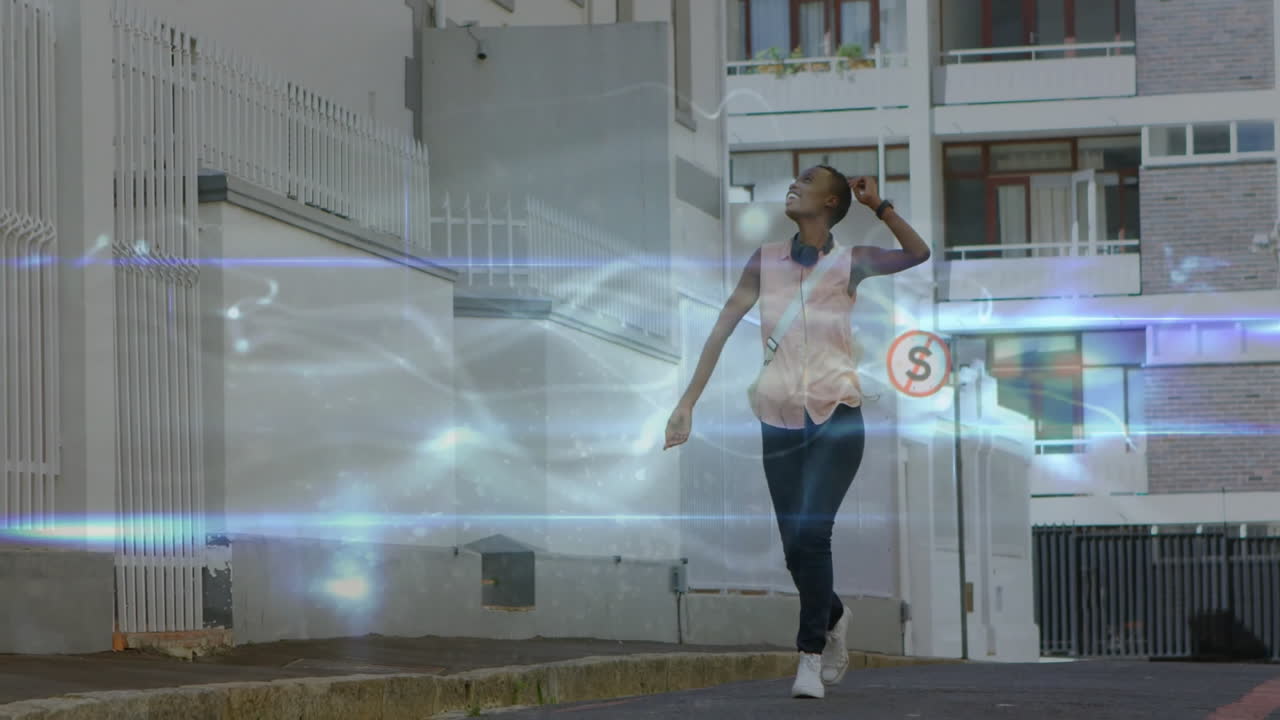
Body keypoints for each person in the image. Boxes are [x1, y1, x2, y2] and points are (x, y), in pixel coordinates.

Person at [663, 167, 930, 699]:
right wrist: (686, 403)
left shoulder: (850, 262)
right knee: (793, 550)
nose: (793, 184)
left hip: (838, 417)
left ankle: (809, 656)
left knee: (813, 535)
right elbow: (721, 330)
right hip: (778, 417)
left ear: (830, 201)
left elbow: (917, 253)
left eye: (806, 180)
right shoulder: (764, 260)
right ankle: (833, 615)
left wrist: (879, 207)